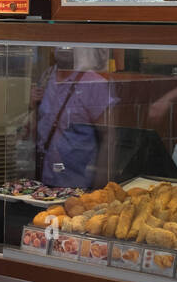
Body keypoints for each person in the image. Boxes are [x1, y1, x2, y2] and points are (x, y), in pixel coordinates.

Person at [31, 47, 117, 188]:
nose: (64, 46)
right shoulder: (47, 77)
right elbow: (39, 126)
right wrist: (32, 107)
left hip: (78, 185)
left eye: (69, 40)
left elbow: (109, 137)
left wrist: (99, 187)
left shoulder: (94, 83)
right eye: (59, 40)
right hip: (44, 181)